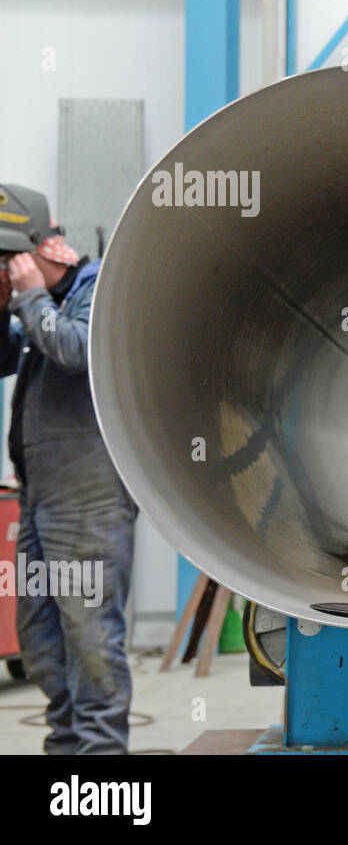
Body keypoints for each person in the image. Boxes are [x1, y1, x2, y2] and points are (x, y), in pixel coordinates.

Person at [0, 183, 136, 754]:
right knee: (40, 642)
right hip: (40, 502)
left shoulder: (97, 287)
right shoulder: (32, 313)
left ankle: (101, 765)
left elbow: (78, 351)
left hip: (90, 505)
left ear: (26, 254)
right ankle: (66, 757)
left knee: (88, 640)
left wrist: (31, 297)